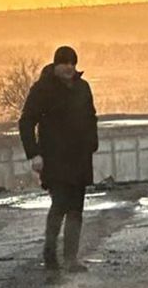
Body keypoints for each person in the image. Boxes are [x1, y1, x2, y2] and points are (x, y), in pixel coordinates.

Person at [19, 46, 98, 273]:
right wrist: (34, 153)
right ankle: (50, 253)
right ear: (56, 65)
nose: (69, 67)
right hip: (54, 158)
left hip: (79, 157)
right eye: (65, 63)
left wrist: (92, 142)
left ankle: (71, 259)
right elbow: (26, 121)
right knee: (60, 203)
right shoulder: (43, 89)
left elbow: (91, 117)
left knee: (76, 208)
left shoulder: (82, 88)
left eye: (73, 63)